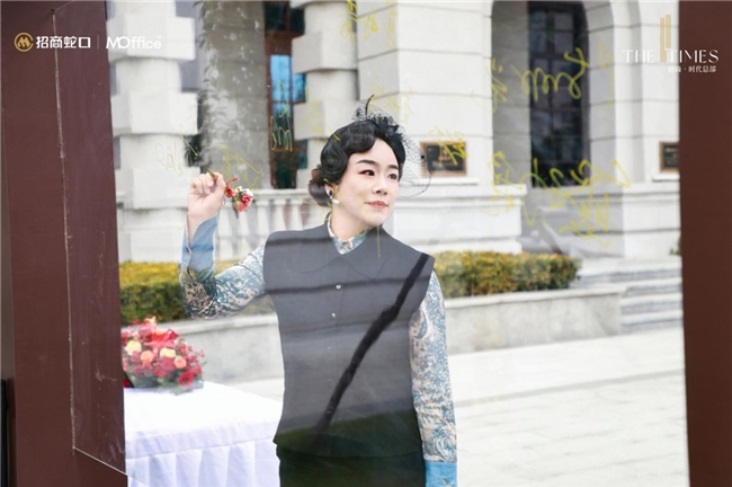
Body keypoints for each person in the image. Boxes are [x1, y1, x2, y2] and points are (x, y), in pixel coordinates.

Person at [179, 107, 457, 487]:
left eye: (392, 175)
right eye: (368, 172)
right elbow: (204, 304)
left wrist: (443, 478)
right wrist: (200, 222)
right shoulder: (280, 253)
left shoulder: (416, 271)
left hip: (389, 467)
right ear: (332, 185)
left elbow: (433, 390)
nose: (384, 186)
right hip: (304, 464)